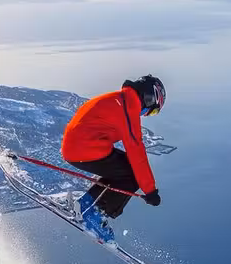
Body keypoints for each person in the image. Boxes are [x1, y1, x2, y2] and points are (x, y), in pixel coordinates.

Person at [61, 75, 166, 243]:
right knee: (131, 174)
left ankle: (85, 205)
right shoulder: (129, 108)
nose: (147, 115)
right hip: (84, 149)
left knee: (121, 170)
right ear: (149, 98)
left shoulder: (121, 99)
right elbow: (136, 151)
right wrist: (150, 191)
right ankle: (94, 216)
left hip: (79, 147)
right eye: (152, 110)